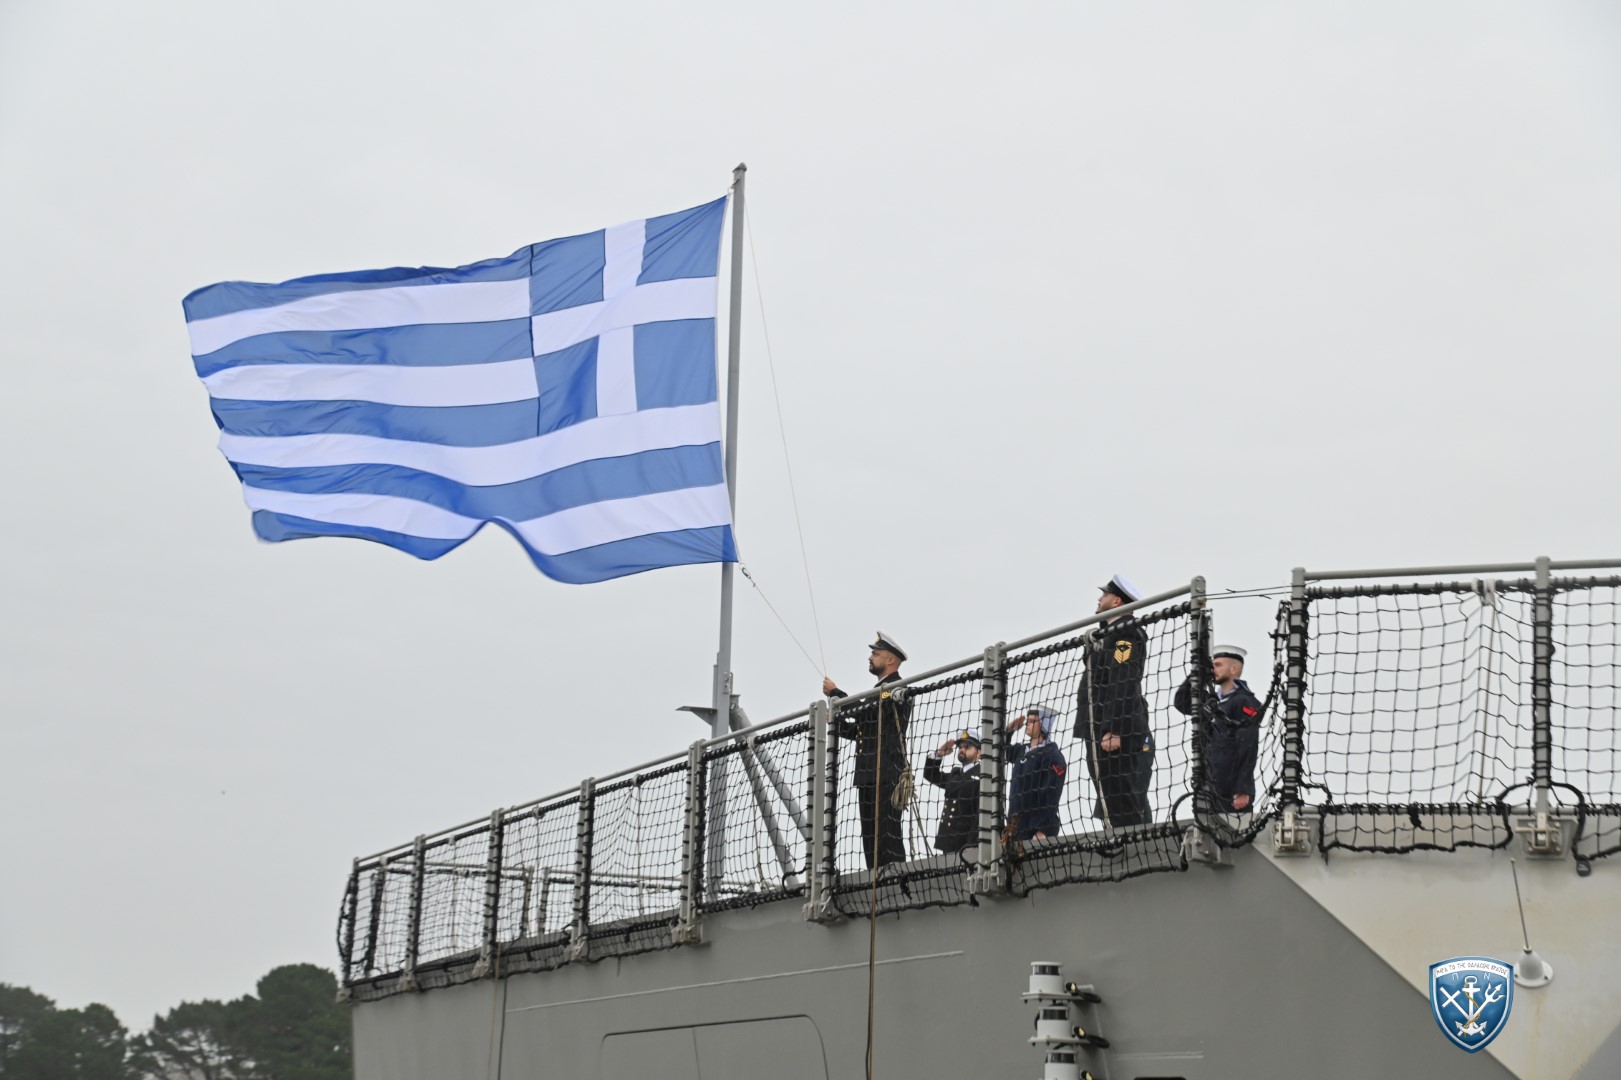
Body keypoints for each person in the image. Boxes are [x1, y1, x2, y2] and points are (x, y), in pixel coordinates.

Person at [823, 632, 911, 869]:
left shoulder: (894, 687)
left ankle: (893, 875)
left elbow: (867, 712)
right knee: (870, 833)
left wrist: (836, 694)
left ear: (890, 659)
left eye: (875, 653)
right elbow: (862, 730)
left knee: (886, 831)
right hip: (868, 773)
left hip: (886, 770)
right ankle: (875, 873)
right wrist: (835, 721)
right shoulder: (879, 690)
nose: (870, 657)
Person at [1074, 574, 1154, 827]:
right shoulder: (1106, 634)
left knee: (1120, 792)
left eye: (1105, 595)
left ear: (1117, 601)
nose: (1099, 599)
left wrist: (1114, 728)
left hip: (1112, 727)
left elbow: (1123, 681)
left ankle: (1131, 843)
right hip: (1097, 724)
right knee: (1107, 793)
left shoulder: (1125, 634)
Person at [1174, 644, 1263, 812]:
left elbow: (1247, 745)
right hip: (1208, 783)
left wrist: (1243, 789)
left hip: (1231, 788)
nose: (1213, 669)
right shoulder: (1212, 701)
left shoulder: (1244, 702)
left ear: (1234, 669)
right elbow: (1181, 702)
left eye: (1218, 665)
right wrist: (1195, 675)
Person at [1006, 705, 1066, 842]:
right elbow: (1001, 751)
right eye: (1027, 720)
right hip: (1015, 829)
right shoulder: (1021, 751)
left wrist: (1043, 829)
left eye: (1032, 721)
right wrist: (1009, 731)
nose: (1027, 723)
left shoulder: (1053, 756)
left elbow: (1051, 794)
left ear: (1044, 725)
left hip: (1034, 833)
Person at [923, 730, 982, 854]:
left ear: (979, 752)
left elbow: (980, 813)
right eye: (960, 747)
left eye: (967, 747)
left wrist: (972, 843)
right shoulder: (955, 775)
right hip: (947, 842)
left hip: (967, 844)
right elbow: (930, 774)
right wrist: (939, 754)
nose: (962, 750)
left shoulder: (982, 776)